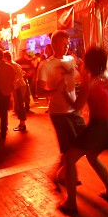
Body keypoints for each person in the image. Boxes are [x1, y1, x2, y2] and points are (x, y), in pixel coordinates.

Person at [59, 46, 108, 215]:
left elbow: (77, 107)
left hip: (98, 127)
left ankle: (71, 202)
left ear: (89, 63)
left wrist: (64, 93)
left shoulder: (90, 81)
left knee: (70, 158)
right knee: (92, 157)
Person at [37, 30, 83, 189]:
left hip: (74, 109)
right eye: (64, 43)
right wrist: (55, 91)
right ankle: (67, 175)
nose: (67, 46)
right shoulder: (45, 65)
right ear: (54, 45)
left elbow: (79, 77)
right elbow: (39, 91)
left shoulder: (71, 60)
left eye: (68, 43)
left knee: (80, 145)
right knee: (69, 148)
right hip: (59, 112)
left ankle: (62, 172)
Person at [0, 48, 15, 140]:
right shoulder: (10, 67)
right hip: (6, 93)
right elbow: (12, 80)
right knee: (4, 114)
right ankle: (3, 132)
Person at [4, 51, 27, 131]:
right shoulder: (14, 64)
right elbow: (22, 73)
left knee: (20, 105)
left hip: (19, 87)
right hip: (20, 86)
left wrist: (12, 81)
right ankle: (22, 123)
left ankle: (22, 124)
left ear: (6, 58)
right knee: (19, 105)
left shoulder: (11, 65)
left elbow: (19, 75)